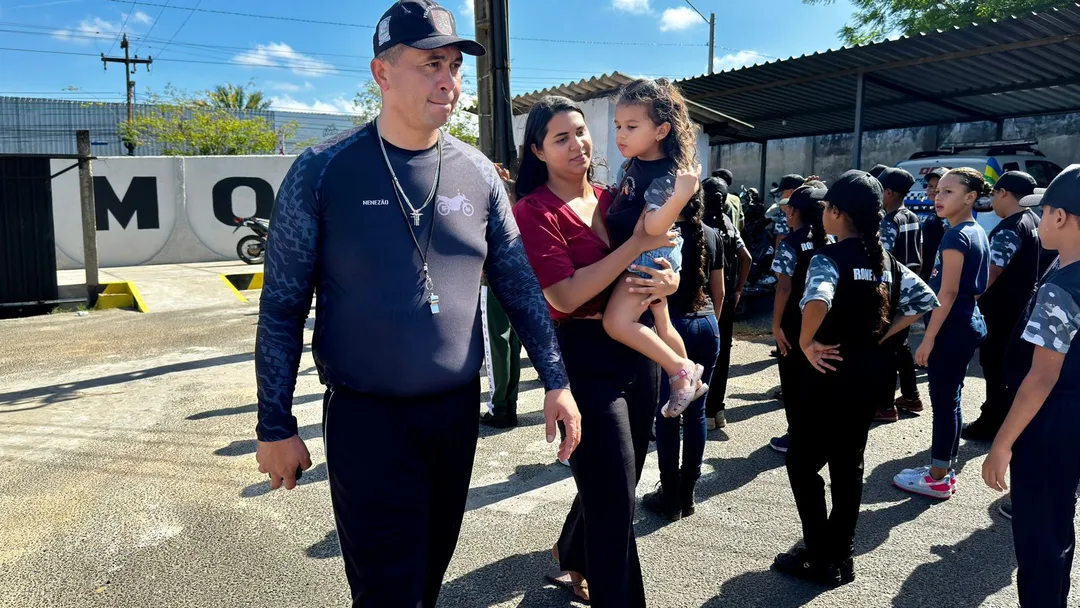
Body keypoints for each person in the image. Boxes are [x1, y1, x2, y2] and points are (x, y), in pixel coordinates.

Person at [252, 4, 583, 606]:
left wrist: (555, 381)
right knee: (388, 594)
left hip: (454, 417)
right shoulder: (323, 170)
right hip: (367, 420)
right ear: (382, 73)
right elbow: (281, 307)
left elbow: (518, 284)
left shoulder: (479, 174)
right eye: (432, 63)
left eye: (455, 66)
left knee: (426, 581)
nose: (449, 81)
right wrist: (274, 423)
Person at [513, 95, 679, 606]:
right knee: (614, 504)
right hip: (581, 356)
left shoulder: (616, 197)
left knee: (619, 479)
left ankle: (573, 554)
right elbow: (564, 294)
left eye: (581, 132)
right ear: (538, 150)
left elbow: (659, 258)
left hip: (637, 349)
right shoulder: (533, 210)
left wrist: (667, 283)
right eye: (561, 137)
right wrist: (634, 248)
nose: (577, 144)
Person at [776, 170, 938, 586]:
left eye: (827, 207)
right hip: (869, 377)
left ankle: (817, 554)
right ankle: (842, 554)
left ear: (836, 212)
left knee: (802, 464)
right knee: (848, 467)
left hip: (828, 376)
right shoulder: (886, 262)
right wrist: (885, 333)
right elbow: (925, 300)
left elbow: (818, 298)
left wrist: (807, 340)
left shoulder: (828, 258)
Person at [982, 164, 1080, 608]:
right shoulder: (1063, 266)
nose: (1037, 221)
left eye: (1042, 213)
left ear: (1060, 218)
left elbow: (1042, 377)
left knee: (1040, 534)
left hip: (1051, 420)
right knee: (1058, 525)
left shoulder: (1064, 285)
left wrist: (1002, 443)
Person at [603, 78, 708, 417]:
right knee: (661, 326)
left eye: (632, 126)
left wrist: (680, 195)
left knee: (617, 323)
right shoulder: (634, 163)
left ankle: (681, 371)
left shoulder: (666, 173)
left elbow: (652, 227)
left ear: (662, 130)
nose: (621, 134)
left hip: (649, 256)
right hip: (650, 256)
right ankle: (688, 369)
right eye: (618, 125)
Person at [895, 167, 990, 499]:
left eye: (948, 191)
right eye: (938, 191)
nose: (938, 196)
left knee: (945, 402)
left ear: (970, 197)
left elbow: (946, 293)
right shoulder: (975, 230)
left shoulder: (956, 235)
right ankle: (942, 466)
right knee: (952, 398)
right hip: (967, 322)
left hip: (951, 327)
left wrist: (929, 338)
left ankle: (938, 476)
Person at [641, 182, 725, 521]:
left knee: (667, 412)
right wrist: (712, 327)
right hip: (707, 324)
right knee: (696, 413)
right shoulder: (713, 234)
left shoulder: (663, 235)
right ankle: (688, 494)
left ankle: (670, 494)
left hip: (671, 327)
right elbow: (718, 291)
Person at [962, 171, 1041, 441]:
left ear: (1004, 193)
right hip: (1021, 310)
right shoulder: (1034, 220)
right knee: (1012, 368)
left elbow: (992, 271)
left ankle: (993, 421)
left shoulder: (1011, 227)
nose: (993, 199)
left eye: (995, 193)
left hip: (1003, 313)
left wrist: (968, 299)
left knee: (995, 366)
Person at [768, 186, 829, 453]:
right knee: (818, 376)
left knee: (793, 380)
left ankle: (797, 436)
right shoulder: (832, 239)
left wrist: (775, 324)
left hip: (795, 320)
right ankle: (819, 432)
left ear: (794, 212)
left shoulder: (790, 243)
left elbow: (784, 287)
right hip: (825, 318)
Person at [874, 167, 923, 422]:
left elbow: (883, 259)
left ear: (889, 192)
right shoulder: (912, 216)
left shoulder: (889, 221)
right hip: (910, 288)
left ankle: (884, 405)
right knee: (900, 345)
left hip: (892, 292)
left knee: (884, 347)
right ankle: (911, 395)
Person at [702, 180, 752, 430]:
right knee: (721, 356)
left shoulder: (698, 226)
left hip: (703, 302)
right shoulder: (729, 225)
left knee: (698, 356)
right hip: (728, 298)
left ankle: (698, 412)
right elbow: (747, 257)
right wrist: (739, 289)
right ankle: (716, 412)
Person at [481, 164, 523, 429]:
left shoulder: (487, 197)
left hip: (494, 279)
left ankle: (500, 409)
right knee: (512, 345)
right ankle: (509, 405)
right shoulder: (519, 195)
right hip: (520, 278)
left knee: (497, 345)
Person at [919, 167, 948, 285]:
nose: (932, 190)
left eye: (937, 187)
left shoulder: (948, 215)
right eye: (930, 186)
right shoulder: (934, 212)